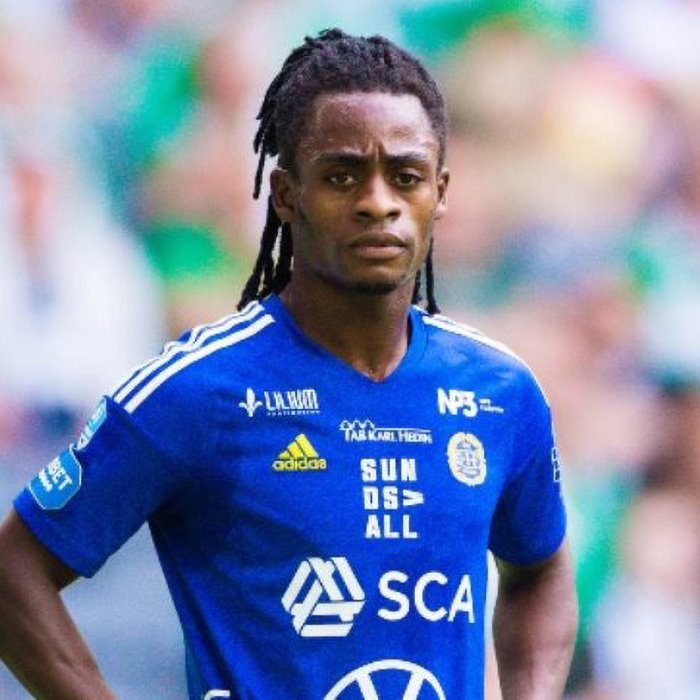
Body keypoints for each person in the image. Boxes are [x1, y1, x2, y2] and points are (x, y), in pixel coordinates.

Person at [0, 28, 577, 700]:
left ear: (439, 192)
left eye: (406, 176)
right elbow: (15, 570)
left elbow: (540, 570)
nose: (378, 202)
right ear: (285, 194)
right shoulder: (200, 391)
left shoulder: (500, 391)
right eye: (341, 175)